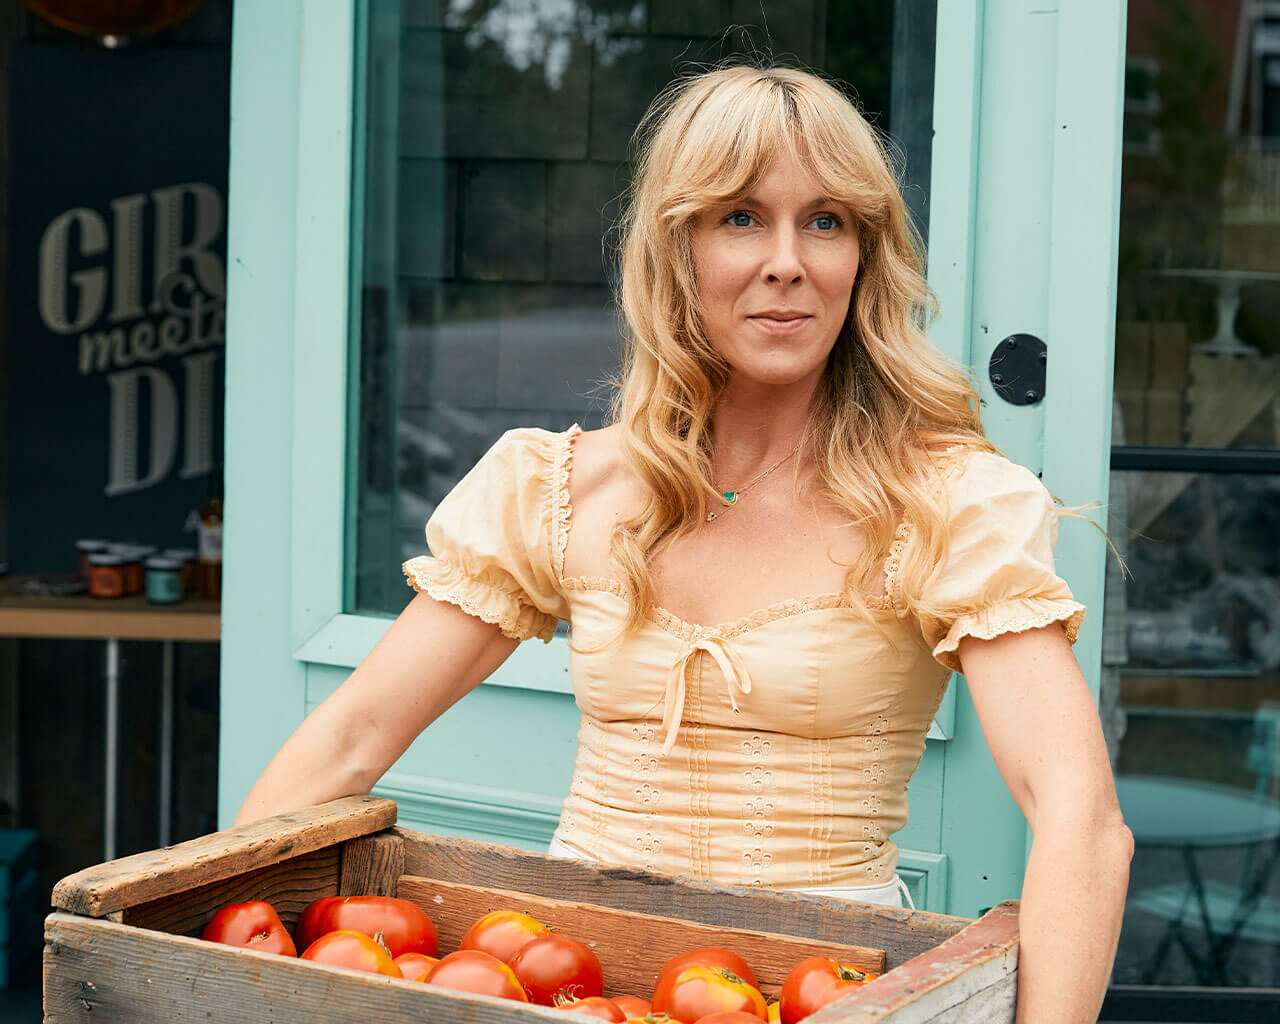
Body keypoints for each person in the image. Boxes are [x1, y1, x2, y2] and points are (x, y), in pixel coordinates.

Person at [235, 64, 1132, 1023]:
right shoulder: (563, 488)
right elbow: (352, 736)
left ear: (864, 258)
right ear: (678, 248)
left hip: (820, 997)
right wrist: (196, 942)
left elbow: (1081, 821)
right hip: (566, 983)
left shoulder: (943, 502)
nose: (787, 260)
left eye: (826, 221)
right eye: (741, 217)